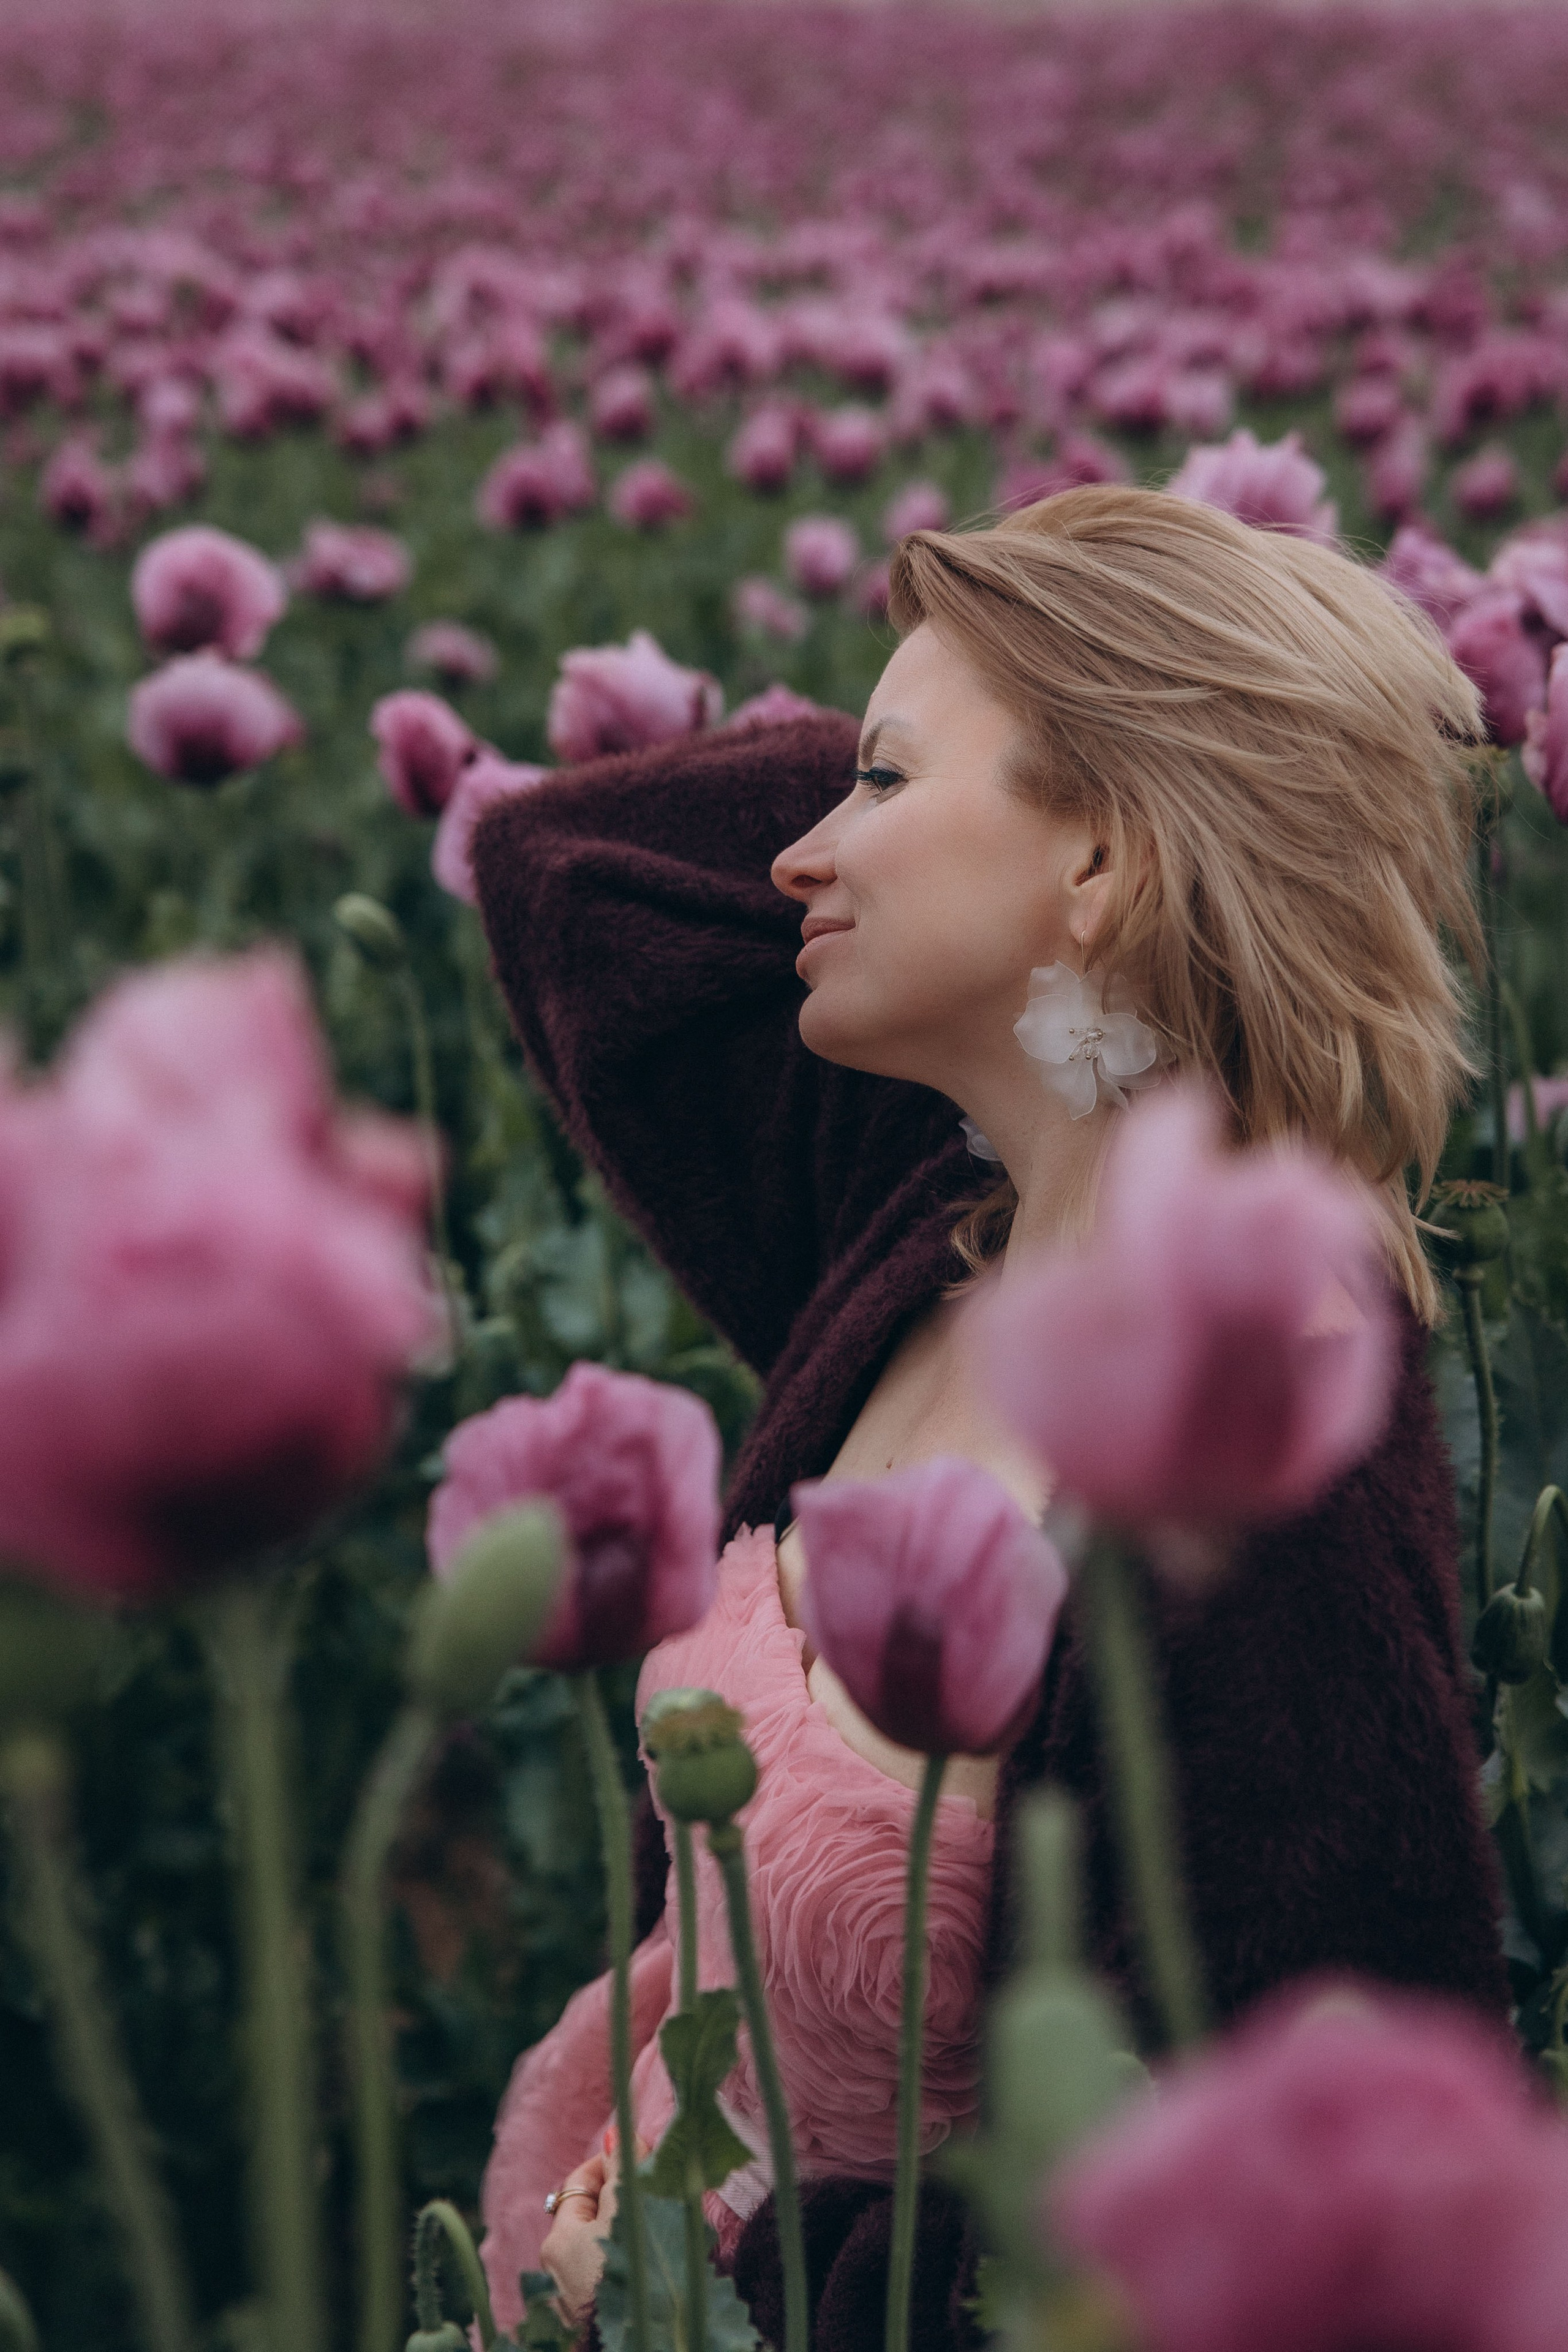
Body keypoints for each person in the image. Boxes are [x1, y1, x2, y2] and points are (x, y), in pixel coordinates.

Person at [467, 485, 1507, 2347]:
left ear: (1103, 858)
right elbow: (566, 872)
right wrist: (1011, 656)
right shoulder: (925, 1221)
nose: (797, 852)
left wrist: (731, 2283)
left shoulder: (1257, 1447)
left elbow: (1304, 2212)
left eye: (875, 781)